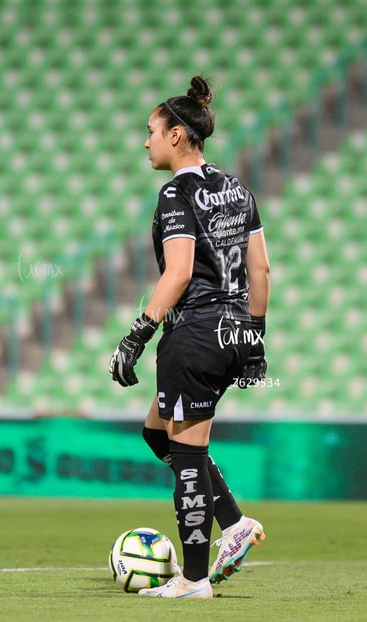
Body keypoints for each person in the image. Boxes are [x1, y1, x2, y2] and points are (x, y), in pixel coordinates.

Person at [109, 76, 270, 599]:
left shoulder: (176, 192)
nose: (146, 141)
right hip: (236, 330)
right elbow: (262, 270)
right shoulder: (238, 188)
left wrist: (138, 334)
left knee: (185, 452)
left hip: (195, 333)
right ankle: (235, 524)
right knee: (160, 435)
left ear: (178, 135)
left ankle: (195, 578)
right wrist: (255, 335)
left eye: (152, 131)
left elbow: (177, 273)